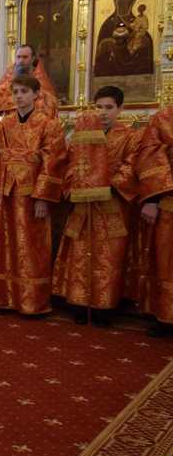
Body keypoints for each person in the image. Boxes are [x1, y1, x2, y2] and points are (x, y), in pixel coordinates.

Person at [51, 86, 142, 326]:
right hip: (84, 205)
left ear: (120, 109)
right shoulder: (79, 136)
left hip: (113, 204)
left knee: (109, 256)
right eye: (98, 107)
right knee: (81, 253)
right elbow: (69, 164)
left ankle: (105, 308)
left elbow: (132, 166)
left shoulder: (131, 137)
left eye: (109, 107)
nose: (103, 112)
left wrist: (109, 185)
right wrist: (77, 184)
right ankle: (79, 304)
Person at [0, 74, 66, 314]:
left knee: (32, 246)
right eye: (15, 92)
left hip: (32, 196)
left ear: (36, 94)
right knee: (2, 244)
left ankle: (31, 300)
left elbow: (54, 161)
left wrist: (42, 197)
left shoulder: (49, 126)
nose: (18, 96)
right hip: (5, 194)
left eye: (24, 92)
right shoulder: (1, 126)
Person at [133, 107, 173, 335]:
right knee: (166, 260)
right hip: (168, 199)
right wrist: (152, 199)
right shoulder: (162, 119)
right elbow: (150, 156)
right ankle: (166, 317)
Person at [0, 44, 58, 117]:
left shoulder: (41, 84)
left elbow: (49, 104)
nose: (21, 61)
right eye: (18, 57)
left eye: (25, 57)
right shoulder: (6, 82)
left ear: (33, 59)